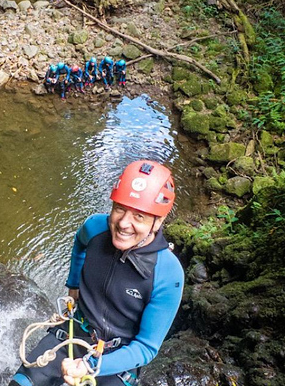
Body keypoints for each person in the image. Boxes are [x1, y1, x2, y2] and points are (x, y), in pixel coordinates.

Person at [10, 160, 184, 386]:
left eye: (139, 216)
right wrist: (73, 286)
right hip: (74, 333)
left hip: (118, 359)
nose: (123, 223)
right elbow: (79, 243)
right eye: (119, 208)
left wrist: (90, 365)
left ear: (157, 221)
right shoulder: (95, 228)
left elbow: (146, 347)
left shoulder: (167, 273)